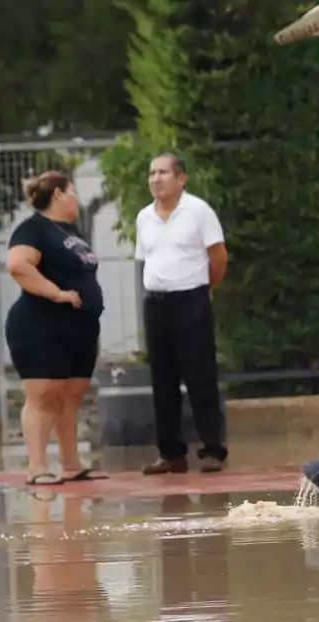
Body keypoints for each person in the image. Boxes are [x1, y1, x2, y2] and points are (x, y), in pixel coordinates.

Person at [4, 171, 107, 486]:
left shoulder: (70, 231)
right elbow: (18, 265)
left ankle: (71, 465)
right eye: (73, 191)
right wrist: (57, 293)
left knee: (71, 397)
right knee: (43, 396)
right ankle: (37, 467)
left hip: (79, 328)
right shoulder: (33, 229)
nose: (76, 198)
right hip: (40, 325)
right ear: (59, 194)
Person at [134, 154, 229, 475]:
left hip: (191, 300)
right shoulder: (144, 217)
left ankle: (213, 449)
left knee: (200, 376)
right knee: (162, 380)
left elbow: (218, 256)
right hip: (157, 303)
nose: (156, 179)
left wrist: (206, 288)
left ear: (181, 178)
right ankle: (171, 452)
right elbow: (144, 260)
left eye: (163, 172)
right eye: (152, 173)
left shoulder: (198, 211)